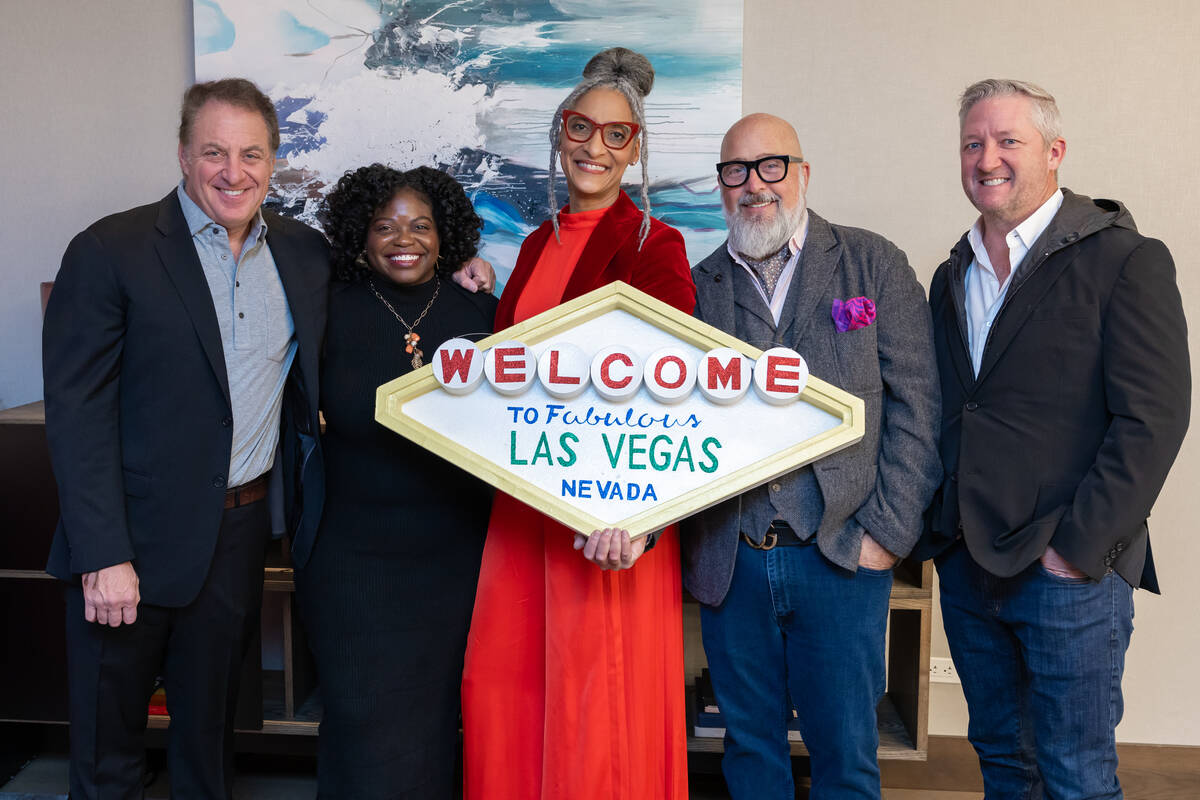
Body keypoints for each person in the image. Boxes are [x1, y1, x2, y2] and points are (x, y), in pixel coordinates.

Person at [41, 78, 329, 799]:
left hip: (236, 540)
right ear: (182, 155)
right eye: (214, 152)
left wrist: (466, 274)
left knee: (209, 742)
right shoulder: (113, 249)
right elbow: (77, 413)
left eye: (251, 154)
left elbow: (382, 291)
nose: (234, 172)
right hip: (129, 546)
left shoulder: (302, 254)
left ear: (273, 161)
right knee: (110, 751)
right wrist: (103, 553)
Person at [912, 79, 1190, 800]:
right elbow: (955, 407)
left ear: (1055, 152)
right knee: (1005, 767)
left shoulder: (1125, 260)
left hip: (1071, 573)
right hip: (970, 567)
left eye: (1009, 140)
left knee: (1077, 779)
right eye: (973, 143)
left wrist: (1078, 548)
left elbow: (1154, 417)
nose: (987, 157)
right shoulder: (952, 274)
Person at [681, 113, 941, 799]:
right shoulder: (693, 287)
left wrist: (885, 537)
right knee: (750, 750)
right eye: (735, 170)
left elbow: (919, 408)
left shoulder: (870, 262)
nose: (754, 185)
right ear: (720, 186)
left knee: (847, 754)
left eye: (771, 166)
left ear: (802, 174)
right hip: (730, 559)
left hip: (843, 556)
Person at [460, 47, 696, 800]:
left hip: (606, 515)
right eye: (580, 126)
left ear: (637, 148)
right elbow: (512, 372)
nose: (594, 146)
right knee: (510, 684)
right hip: (522, 505)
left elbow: (671, 387)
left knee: (595, 701)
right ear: (560, 132)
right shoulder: (535, 243)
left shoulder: (653, 244)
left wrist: (635, 514)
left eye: (616, 134)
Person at [295, 164, 497, 799]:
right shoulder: (326, 311)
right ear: (361, 234)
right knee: (359, 718)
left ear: (446, 235)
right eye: (384, 226)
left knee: (437, 724)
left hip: (455, 560)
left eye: (420, 225)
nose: (402, 238)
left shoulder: (484, 313)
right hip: (351, 558)